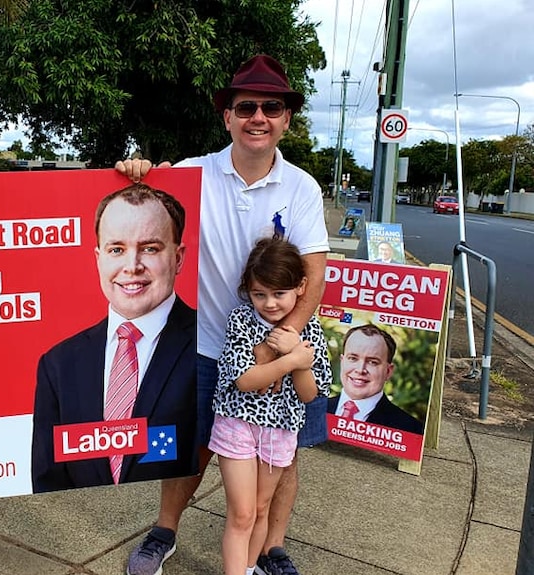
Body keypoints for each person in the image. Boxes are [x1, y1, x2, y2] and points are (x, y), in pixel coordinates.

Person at [116, 53, 329, 575]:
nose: (259, 117)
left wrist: (283, 341)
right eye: (246, 106)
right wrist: (136, 174)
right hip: (205, 345)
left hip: (279, 344)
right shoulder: (191, 175)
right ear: (227, 117)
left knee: (283, 452)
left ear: (286, 119)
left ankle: (271, 549)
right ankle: (164, 532)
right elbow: (136, 209)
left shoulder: (302, 187)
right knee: (191, 450)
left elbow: (314, 273)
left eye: (271, 107)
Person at [32, 183, 197, 492]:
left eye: (150, 248)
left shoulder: (206, 344)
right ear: (99, 258)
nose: (131, 267)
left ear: (178, 257)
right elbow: (48, 478)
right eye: (116, 249)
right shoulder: (58, 364)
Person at [211, 237, 331, 575]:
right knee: (243, 513)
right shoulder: (241, 321)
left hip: (280, 429)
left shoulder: (310, 330)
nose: (269, 303)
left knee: (262, 508)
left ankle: (250, 567)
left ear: (300, 287)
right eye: (259, 294)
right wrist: (291, 358)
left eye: (279, 293)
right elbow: (245, 380)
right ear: (247, 290)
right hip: (237, 423)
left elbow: (310, 394)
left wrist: (303, 363)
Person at [328, 324, 424, 434]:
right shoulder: (311, 410)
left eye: (372, 362)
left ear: (388, 371)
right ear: (342, 361)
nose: (360, 370)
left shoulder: (411, 429)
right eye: (353, 358)